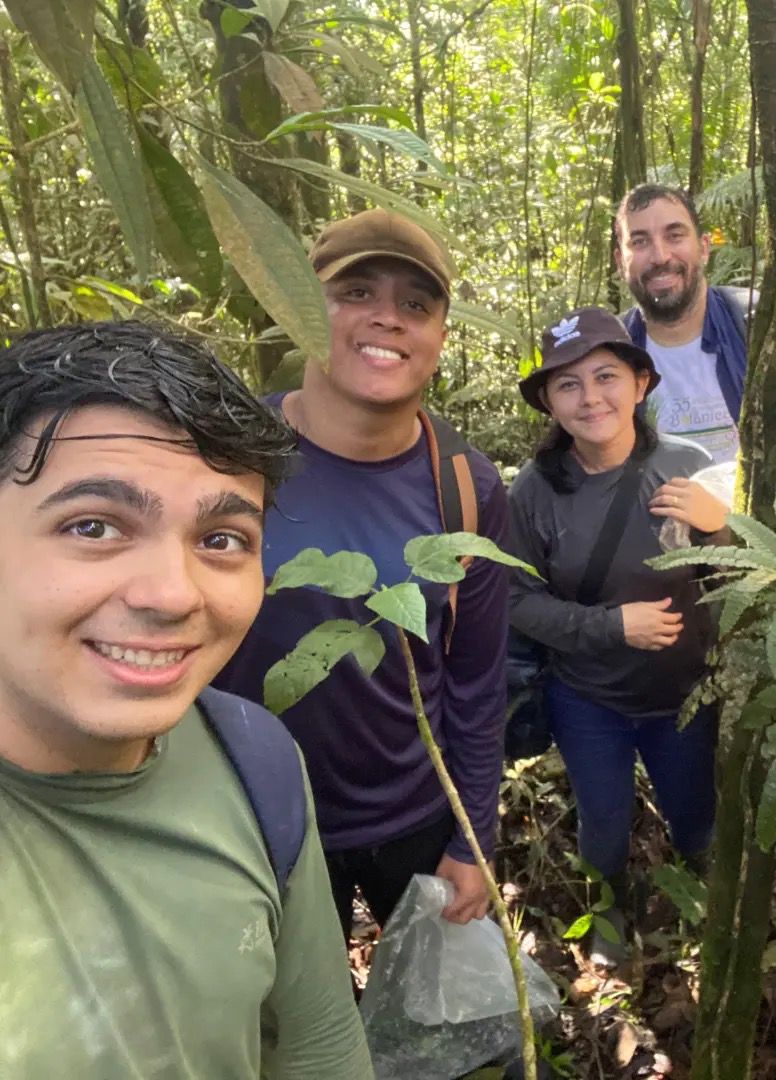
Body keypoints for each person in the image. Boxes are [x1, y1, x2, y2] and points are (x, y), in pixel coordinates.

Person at [0, 322, 372, 1079]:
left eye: (223, 539)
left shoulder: (255, 760)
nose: (173, 596)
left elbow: (321, 1049)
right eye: (94, 526)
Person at [216, 209, 509, 933]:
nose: (388, 319)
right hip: (251, 824)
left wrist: (475, 834)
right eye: (356, 293)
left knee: (442, 1039)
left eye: (415, 304)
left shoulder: (468, 487)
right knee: (302, 1040)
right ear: (301, 308)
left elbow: (475, 680)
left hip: (412, 817)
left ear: (440, 335)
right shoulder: (226, 456)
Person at [507, 306, 727, 967]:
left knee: (697, 821)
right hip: (588, 699)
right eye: (568, 384)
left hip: (685, 696)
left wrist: (723, 527)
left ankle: (699, 912)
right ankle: (609, 910)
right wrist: (610, 627)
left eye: (606, 376)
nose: (590, 397)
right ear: (549, 401)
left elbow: (758, 577)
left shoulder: (692, 467)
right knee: (602, 823)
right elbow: (516, 600)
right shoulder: (536, 491)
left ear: (640, 383)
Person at [614, 182, 776, 463]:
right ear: (620, 261)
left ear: (704, 248)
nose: (660, 256)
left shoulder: (766, 326)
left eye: (675, 236)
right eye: (640, 241)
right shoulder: (613, 350)